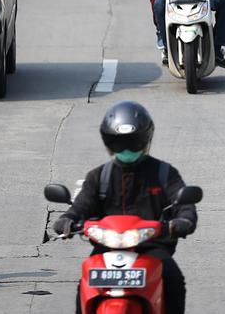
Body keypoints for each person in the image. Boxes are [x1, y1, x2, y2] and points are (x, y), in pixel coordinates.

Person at [53, 102, 196, 314]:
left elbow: (184, 203)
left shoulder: (165, 173)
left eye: (133, 144)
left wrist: (183, 220)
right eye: (120, 145)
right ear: (109, 144)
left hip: (152, 247)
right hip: (106, 247)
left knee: (173, 278)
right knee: (84, 286)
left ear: (145, 141)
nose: (127, 150)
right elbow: (80, 206)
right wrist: (67, 220)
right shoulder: (98, 176)